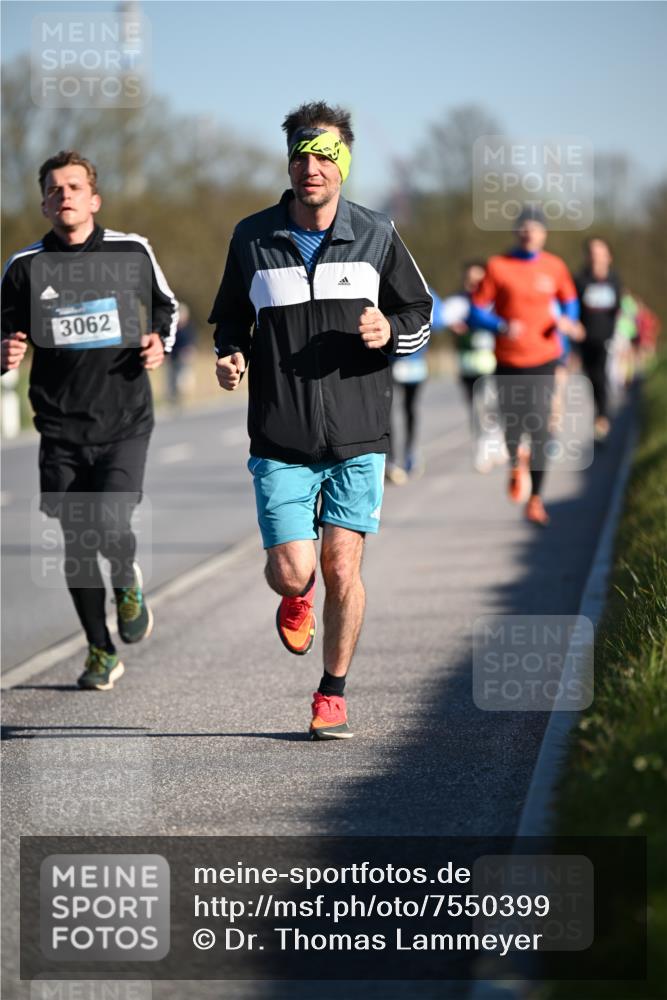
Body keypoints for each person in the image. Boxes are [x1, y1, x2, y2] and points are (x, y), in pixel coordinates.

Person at [209, 101, 431, 740]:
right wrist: (231, 355)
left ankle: (331, 693)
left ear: (345, 165)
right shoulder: (252, 237)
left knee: (342, 567)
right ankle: (293, 594)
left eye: (326, 156)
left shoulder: (377, 234)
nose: (312, 168)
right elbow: (230, 320)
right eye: (302, 156)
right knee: (295, 570)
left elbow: (420, 312)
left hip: (358, 433)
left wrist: (388, 328)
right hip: (280, 436)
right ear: (289, 162)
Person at [1, 150, 178, 689]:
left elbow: (166, 309)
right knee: (77, 544)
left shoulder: (132, 251)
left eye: (74, 186)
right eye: (55, 189)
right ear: (44, 203)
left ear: (94, 199)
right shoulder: (24, 268)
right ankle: (100, 651)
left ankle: (126, 580)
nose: (65, 195)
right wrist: (5, 350)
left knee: (108, 521)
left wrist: (157, 342)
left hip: (124, 419)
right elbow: (5, 334)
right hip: (59, 428)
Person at [469, 206, 582, 526]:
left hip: (544, 357)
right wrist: (501, 326)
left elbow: (570, 302)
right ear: (516, 232)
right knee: (513, 424)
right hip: (508, 359)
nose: (529, 233)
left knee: (542, 426)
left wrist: (567, 321)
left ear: (544, 233)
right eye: (524, 228)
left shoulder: (555, 266)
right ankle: (516, 464)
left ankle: (536, 499)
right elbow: (475, 311)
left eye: (535, 228)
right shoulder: (498, 266)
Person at [444, 261, 505, 474]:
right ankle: (486, 444)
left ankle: (489, 445)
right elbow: (441, 317)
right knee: (475, 407)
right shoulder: (458, 302)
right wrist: (452, 325)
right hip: (467, 364)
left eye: (478, 279)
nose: (473, 283)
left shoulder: (493, 302)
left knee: (489, 406)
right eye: (469, 278)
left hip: (491, 363)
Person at [574, 237, 622, 441]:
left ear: (608, 257)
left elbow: (617, 308)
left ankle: (602, 418)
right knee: (592, 378)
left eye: (600, 254)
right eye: (592, 254)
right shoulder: (579, 280)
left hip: (607, 339)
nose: (596, 258)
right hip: (585, 340)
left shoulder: (614, 280)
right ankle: (600, 415)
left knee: (603, 378)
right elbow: (572, 308)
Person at [166, 301, 197, 406]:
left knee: (182, 380)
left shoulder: (189, 329)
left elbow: (192, 342)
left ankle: (184, 398)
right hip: (173, 358)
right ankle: (174, 399)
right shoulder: (173, 329)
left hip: (184, 359)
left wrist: (189, 351)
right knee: (171, 380)